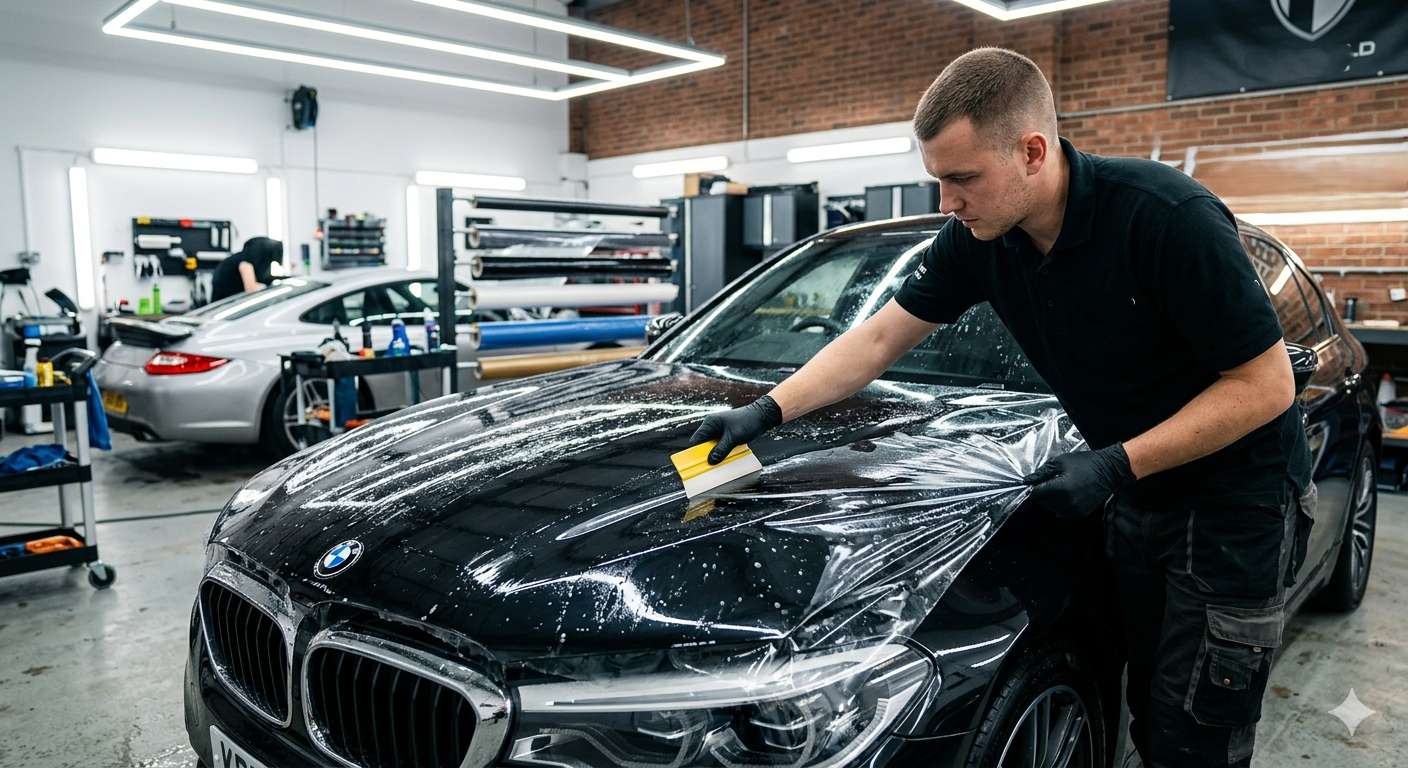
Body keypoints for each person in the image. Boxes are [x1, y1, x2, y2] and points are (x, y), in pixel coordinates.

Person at [689, 48, 1311, 768]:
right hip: (1138, 493)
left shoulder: (1167, 219)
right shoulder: (980, 240)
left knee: (1195, 734)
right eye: (939, 179)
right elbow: (881, 338)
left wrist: (1117, 464)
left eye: (963, 178)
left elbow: (1265, 385)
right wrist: (767, 411)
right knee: (1149, 711)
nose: (946, 202)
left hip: (1233, 502)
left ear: (1033, 152)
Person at [211, 237, 284, 302]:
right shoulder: (245, 263)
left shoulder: (238, 259)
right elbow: (251, 289)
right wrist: (271, 289)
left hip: (224, 305)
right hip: (226, 306)